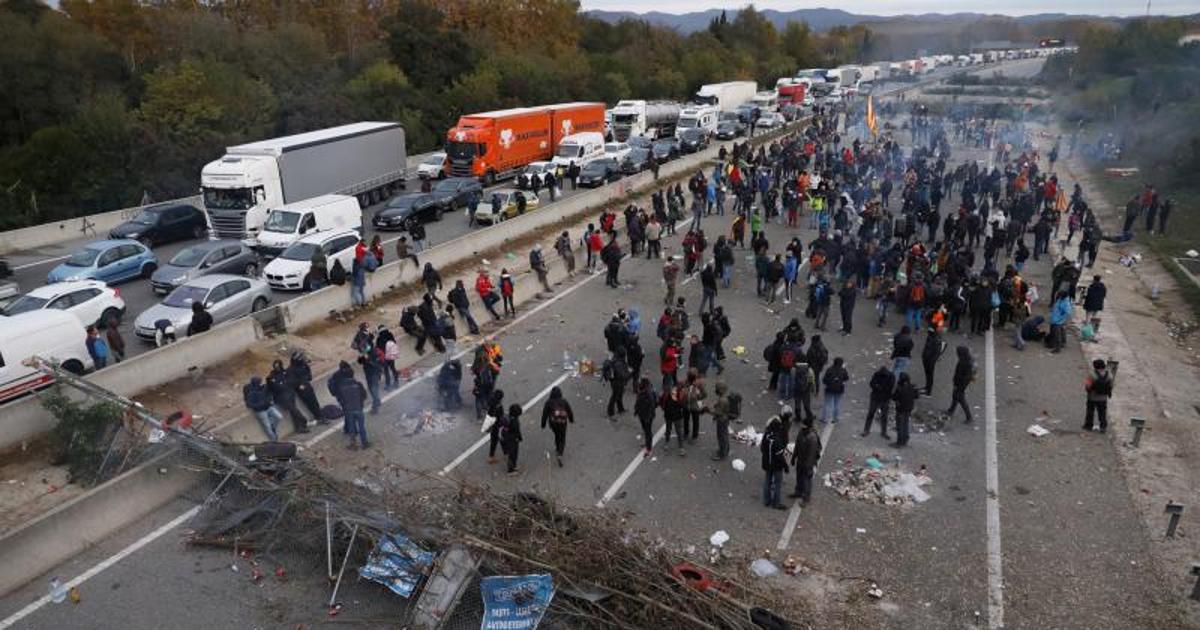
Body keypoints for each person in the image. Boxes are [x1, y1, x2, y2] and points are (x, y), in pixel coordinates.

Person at [268, 359, 309, 434]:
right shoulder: (271, 376)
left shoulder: (286, 373)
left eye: (278, 366)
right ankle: (303, 420)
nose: (277, 368)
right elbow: (275, 387)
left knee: (293, 411)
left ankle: (299, 427)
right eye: (275, 366)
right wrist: (282, 384)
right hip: (281, 398)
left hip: (290, 394)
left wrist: (283, 383)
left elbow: (291, 382)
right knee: (294, 410)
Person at [760, 416, 789, 510]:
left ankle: (766, 500)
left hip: (767, 463)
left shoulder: (766, 436)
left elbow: (762, 448)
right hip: (777, 465)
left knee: (767, 481)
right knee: (777, 484)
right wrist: (785, 466)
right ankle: (776, 503)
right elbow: (780, 456)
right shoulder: (777, 440)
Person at [540, 386, 574, 466]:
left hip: (553, 423)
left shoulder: (548, 402)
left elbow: (544, 414)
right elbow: (569, 411)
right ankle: (560, 453)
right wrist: (571, 419)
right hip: (562, 423)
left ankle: (557, 448)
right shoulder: (564, 401)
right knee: (562, 437)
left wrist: (543, 424)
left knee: (557, 434)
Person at [789, 421, 822, 503]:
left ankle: (806, 498)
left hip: (808, 463)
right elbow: (797, 445)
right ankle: (798, 492)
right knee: (799, 477)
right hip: (800, 460)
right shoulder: (802, 432)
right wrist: (793, 457)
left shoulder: (812, 437)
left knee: (807, 480)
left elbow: (812, 454)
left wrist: (808, 466)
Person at [243, 376, 282, 442]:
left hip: (268, 407)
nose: (261, 383)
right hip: (260, 411)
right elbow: (249, 404)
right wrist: (258, 406)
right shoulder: (251, 393)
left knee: (279, 417)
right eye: (259, 382)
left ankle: (273, 427)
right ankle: (274, 440)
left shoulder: (264, 388)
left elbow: (269, 394)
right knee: (267, 426)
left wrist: (269, 401)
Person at [1083, 359, 1115, 433]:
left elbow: (1088, 385)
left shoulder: (1092, 375)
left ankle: (1088, 425)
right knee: (1102, 413)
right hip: (1103, 398)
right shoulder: (1109, 375)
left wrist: (1088, 391)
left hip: (1092, 397)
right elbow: (1111, 386)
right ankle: (1103, 427)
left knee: (1090, 412)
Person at [862, 365, 895, 439]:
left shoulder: (880, 375)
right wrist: (880, 387)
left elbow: (873, 384)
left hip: (878, 397)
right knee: (881, 415)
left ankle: (867, 430)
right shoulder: (887, 375)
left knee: (874, 414)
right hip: (882, 397)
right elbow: (872, 384)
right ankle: (883, 432)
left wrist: (878, 387)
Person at [946, 346, 975, 424]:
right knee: (955, 396)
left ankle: (969, 417)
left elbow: (965, 377)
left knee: (961, 399)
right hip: (959, 383)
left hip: (960, 384)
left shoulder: (966, 363)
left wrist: (958, 385)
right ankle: (951, 410)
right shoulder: (965, 359)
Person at [709, 382, 735, 460]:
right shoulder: (725, 397)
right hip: (725, 419)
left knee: (721, 437)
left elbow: (718, 412)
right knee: (725, 435)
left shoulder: (722, 400)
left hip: (722, 420)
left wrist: (709, 410)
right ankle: (726, 450)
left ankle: (722, 454)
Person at [602, 350, 630, 420]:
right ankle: (611, 412)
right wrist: (628, 373)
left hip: (615, 382)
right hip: (617, 382)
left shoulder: (616, 360)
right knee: (614, 397)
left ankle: (620, 409)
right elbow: (622, 375)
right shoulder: (619, 363)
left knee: (619, 395)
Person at [892, 372, 918, 447]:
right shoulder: (912, 387)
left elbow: (894, 397)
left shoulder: (900, 388)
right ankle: (905, 439)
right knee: (906, 424)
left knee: (900, 425)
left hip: (901, 409)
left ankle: (899, 442)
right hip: (909, 408)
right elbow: (916, 396)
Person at [661, 383, 687, 456]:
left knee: (679, 432)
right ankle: (667, 442)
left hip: (677, 417)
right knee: (668, 429)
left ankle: (681, 447)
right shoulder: (666, 395)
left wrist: (678, 400)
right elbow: (662, 402)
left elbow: (684, 406)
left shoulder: (681, 396)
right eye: (673, 391)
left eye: (675, 391)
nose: (674, 392)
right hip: (669, 416)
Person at [820, 357, 848, 424]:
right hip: (839, 389)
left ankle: (825, 418)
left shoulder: (830, 369)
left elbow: (824, 380)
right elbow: (846, 378)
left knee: (827, 404)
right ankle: (835, 419)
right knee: (837, 404)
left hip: (829, 389)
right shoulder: (843, 370)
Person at [634, 378, 658, 457]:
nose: (639, 384)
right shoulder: (641, 391)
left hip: (647, 416)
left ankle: (649, 448)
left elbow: (651, 406)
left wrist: (647, 417)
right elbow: (638, 402)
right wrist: (636, 410)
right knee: (645, 429)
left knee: (648, 431)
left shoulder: (648, 393)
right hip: (642, 414)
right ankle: (647, 443)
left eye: (640, 383)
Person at [921, 326, 946, 396]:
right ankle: (927, 387)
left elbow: (935, 352)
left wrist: (931, 359)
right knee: (928, 375)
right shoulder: (931, 338)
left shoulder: (936, 340)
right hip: (927, 359)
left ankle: (928, 390)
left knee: (930, 375)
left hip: (929, 360)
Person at [501, 403, 524, 475]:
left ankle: (512, 467)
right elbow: (517, 431)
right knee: (513, 454)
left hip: (506, 436)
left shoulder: (507, 417)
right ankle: (511, 470)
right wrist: (520, 438)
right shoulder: (515, 422)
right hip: (512, 439)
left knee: (510, 453)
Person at [486, 390, 506, 463]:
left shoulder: (491, 403)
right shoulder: (499, 406)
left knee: (494, 441)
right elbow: (500, 417)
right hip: (498, 426)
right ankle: (506, 453)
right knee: (502, 439)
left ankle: (491, 456)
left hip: (492, 425)